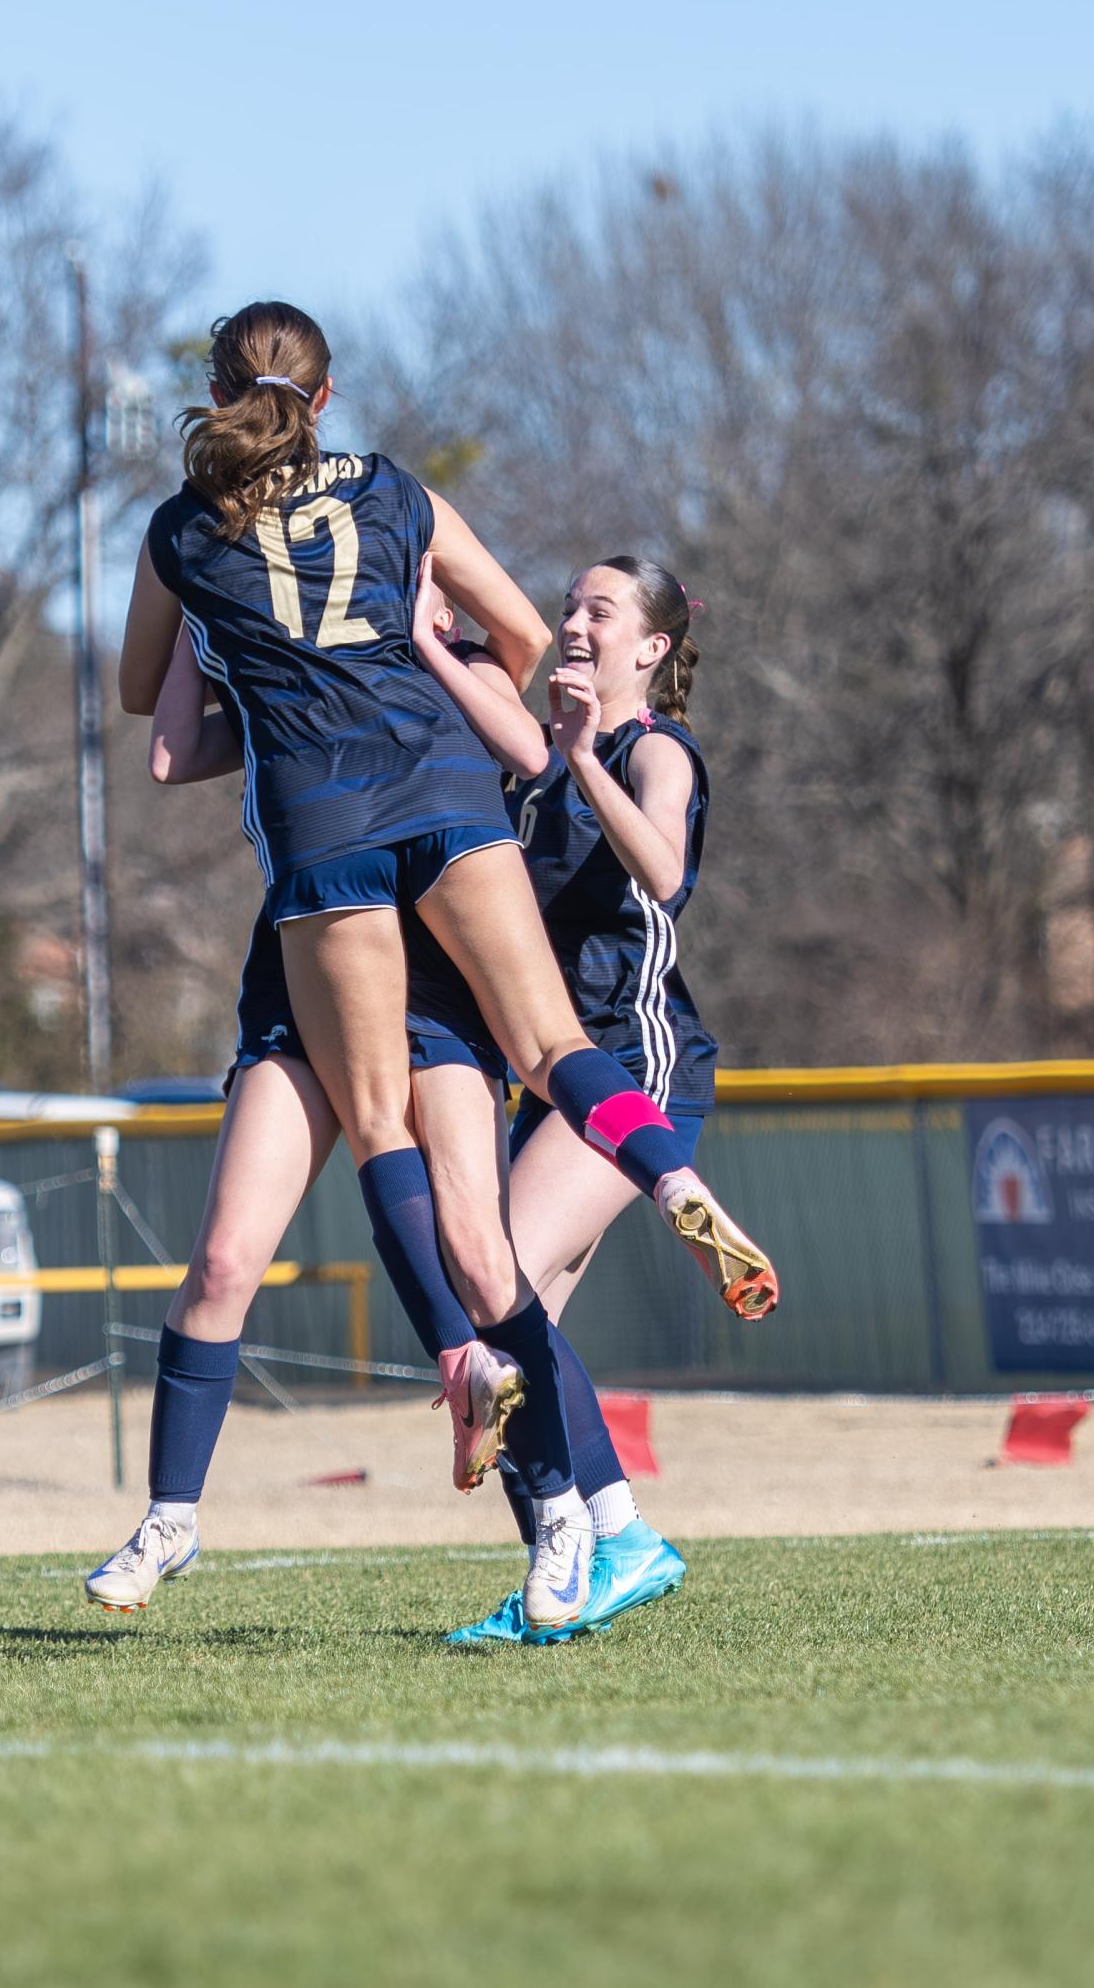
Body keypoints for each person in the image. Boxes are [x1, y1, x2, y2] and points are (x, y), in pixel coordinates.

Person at [118, 300, 777, 1625]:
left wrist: (245, 653)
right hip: (443, 808)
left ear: (215, 393)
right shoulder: (396, 494)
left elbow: (154, 720)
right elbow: (530, 661)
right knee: (547, 1075)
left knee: (391, 1158)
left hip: (325, 845)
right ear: (330, 391)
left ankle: (503, 1470)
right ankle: (669, 1184)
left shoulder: (184, 534)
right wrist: (418, 654)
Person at [89, 599, 663, 1635]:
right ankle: (169, 1518)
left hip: (429, 997)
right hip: (301, 967)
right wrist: (184, 591)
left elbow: (532, 747)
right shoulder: (287, 672)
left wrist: (444, 647)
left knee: (485, 1270)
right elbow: (171, 750)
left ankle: (567, 1520)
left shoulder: (454, 669)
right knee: (223, 1263)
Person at [433, 556, 726, 1643]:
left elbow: (661, 869)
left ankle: (609, 1540)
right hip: (544, 1072)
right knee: (506, 1342)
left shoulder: (652, 752)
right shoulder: (537, 771)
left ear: (649, 647)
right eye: (565, 607)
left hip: (634, 1066)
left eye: (597, 611)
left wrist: (580, 756)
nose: (570, 624)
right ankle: (586, 1560)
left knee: (488, 1294)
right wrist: (429, 641)